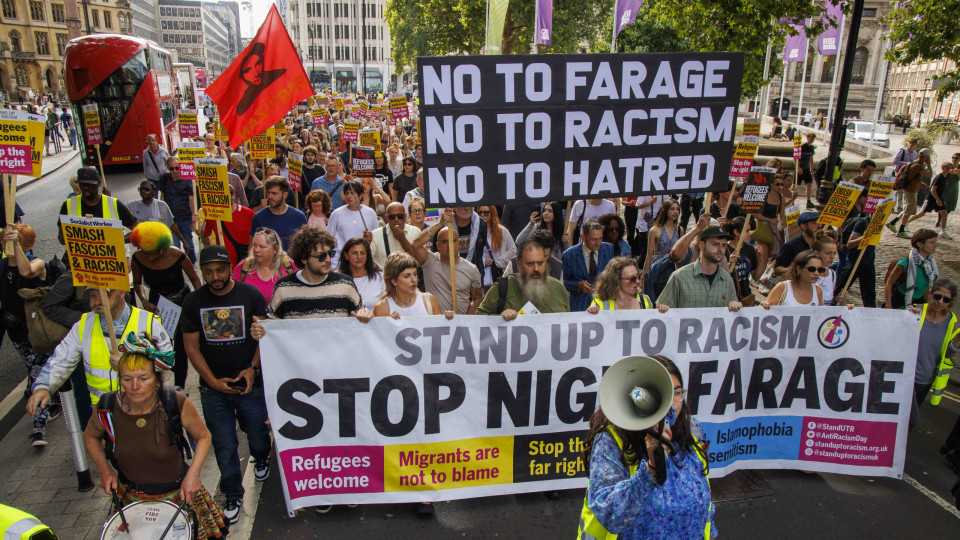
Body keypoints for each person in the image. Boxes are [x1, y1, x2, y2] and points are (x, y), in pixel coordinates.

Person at [83, 339, 227, 538]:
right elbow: (90, 436)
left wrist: (193, 474)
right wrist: (104, 470)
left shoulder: (175, 402)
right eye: (127, 379)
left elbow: (203, 437)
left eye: (143, 378)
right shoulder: (107, 406)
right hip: (131, 498)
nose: (134, 386)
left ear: (157, 378)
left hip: (178, 495)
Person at [579, 355, 715, 540]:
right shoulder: (611, 441)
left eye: (677, 392)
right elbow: (610, 515)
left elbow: (704, 499)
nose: (673, 402)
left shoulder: (692, 430)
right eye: (667, 393)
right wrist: (651, 468)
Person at [181, 245, 271, 524]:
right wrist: (211, 381)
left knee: (256, 431)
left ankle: (262, 457)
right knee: (223, 443)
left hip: (250, 385)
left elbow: (264, 335)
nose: (215, 276)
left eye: (220, 270)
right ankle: (232, 492)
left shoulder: (251, 295)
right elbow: (191, 347)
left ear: (230, 267)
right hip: (213, 390)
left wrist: (253, 369)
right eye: (208, 272)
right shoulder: (193, 302)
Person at [27, 288, 171, 417]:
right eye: (93, 295)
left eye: (106, 294)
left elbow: (167, 361)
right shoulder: (83, 326)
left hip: (144, 409)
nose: (97, 301)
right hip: (103, 412)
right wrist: (43, 386)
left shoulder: (148, 322)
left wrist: (127, 365)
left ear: (121, 292)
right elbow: (61, 360)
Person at [1, 224, 56, 446]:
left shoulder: (37, 263)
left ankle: (38, 426)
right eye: (4, 242)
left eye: (12, 242)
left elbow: (26, 272)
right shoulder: (2, 266)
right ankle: (53, 402)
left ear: (27, 244)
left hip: (38, 331)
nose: (6, 246)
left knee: (37, 372)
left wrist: (16, 246)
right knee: (37, 370)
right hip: (17, 333)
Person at [130, 222, 201, 389]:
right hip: (157, 304)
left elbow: (195, 278)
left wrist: (198, 301)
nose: (150, 258)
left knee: (181, 347)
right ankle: (158, 383)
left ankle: (180, 386)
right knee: (157, 344)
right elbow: (137, 282)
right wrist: (144, 300)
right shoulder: (137, 258)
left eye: (154, 253)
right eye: (146, 253)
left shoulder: (177, 255)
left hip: (181, 300)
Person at [905, 280, 960, 431]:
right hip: (904, 377)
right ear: (930, 294)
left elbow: (948, 354)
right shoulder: (915, 312)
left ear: (950, 302)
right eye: (937, 296)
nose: (940, 302)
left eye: (946, 299)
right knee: (909, 421)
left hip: (925, 381)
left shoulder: (952, 322)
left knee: (905, 425)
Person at [409, 210, 483, 314]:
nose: (450, 245)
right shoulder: (429, 261)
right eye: (445, 241)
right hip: (435, 324)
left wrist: (467, 320)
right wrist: (440, 224)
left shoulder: (471, 269)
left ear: (459, 244)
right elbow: (416, 244)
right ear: (438, 245)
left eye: (453, 241)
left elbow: (476, 299)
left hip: (460, 324)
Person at [477, 237, 570, 319]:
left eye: (540, 263)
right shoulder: (502, 288)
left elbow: (569, 325)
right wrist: (500, 318)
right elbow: (479, 318)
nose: (536, 269)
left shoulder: (559, 288)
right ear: (518, 264)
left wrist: (584, 317)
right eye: (530, 264)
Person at [656, 226, 742, 311]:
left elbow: (732, 314)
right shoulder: (679, 277)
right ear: (701, 245)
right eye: (715, 244)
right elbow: (662, 310)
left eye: (724, 245)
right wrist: (662, 308)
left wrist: (736, 306)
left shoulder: (727, 280)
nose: (720, 249)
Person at [58, 166, 137, 244]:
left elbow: (138, 230)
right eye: (82, 184)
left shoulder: (114, 204)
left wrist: (118, 241)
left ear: (98, 183)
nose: (86, 188)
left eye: (89, 185)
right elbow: (61, 238)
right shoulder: (68, 205)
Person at [373, 252, 450, 319]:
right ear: (394, 281)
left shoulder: (429, 300)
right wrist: (388, 324)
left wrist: (448, 319)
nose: (414, 280)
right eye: (407, 276)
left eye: (415, 274)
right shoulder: (381, 308)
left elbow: (440, 331)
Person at [233, 227, 296, 303]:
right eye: (255, 245)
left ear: (275, 249)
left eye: (262, 247)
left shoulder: (290, 266)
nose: (256, 250)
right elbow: (234, 295)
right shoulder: (244, 266)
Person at [563, 220, 614, 312]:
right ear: (583, 237)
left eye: (600, 238)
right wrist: (578, 285)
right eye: (593, 239)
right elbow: (564, 282)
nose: (598, 243)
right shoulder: (569, 255)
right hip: (579, 306)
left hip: (604, 304)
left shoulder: (608, 248)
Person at [327, 180, 378, 268]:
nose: (349, 196)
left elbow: (376, 236)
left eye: (352, 193)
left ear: (360, 195)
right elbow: (329, 237)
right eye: (347, 193)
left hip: (362, 259)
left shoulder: (370, 213)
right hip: (340, 260)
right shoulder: (336, 213)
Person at [885, 228, 939, 309]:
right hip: (900, 303)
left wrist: (931, 305)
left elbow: (925, 287)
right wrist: (888, 305)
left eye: (935, 242)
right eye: (932, 242)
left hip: (919, 303)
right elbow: (889, 284)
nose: (935, 245)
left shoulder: (930, 264)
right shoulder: (905, 262)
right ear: (920, 244)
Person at [250, 176, 307, 251]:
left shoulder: (299, 217)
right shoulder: (258, 217)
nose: (270, 196)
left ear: (285, 195)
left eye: (274, 193)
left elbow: (305, 247)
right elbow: (252, 247)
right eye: (268, 193)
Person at [158, 156, 198, 263]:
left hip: (185, 218)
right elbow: (162, 196)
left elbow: (191, 199)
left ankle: (191, 263)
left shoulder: (188, 180)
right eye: (172, 168)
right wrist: (161, 214)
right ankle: (178, 265)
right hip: (170, 220)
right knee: (174, 246)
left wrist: (193, 216)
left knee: (188, 243)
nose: (175, 171)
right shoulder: (165, 178)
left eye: (177, 168)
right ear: (167, 168)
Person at [203, 186, 255, 266]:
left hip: (246, 265)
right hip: (225, 265)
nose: (222, 198)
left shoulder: (249, 214)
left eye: (224, 195)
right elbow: (205, 234)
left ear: (233, 195)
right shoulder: (212, 216)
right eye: (218, 196)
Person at [888, 148, 933, 238]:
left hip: (909, 189)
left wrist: (921, 183)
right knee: (908, 211)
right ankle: (901, 230)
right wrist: (928, 164)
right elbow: (929, 174)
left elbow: (913, 177)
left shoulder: (913, 163)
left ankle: (892, 223)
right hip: (911, 190)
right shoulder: (918, 166)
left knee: (906, 209)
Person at [126, 180, 188, 246]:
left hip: (161, 243)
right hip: (144, 245)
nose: (143, 191)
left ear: (154, 192)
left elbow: (172, 225)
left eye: (146, 189)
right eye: (140, 189)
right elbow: (118, 208)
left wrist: (184, 242)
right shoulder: (133, 205)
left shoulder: (161, 205)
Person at [586, 256, 653, 313]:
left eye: (638, 276)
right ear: (617, 280)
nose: (637, 281)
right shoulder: (599, 304)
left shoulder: (644, 301)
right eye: (632, 278)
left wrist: (662, 312)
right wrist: (591, 313)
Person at [761, 250, 826, 307]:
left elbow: (819, 317)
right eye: (812, 269)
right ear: (799, 269)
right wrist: (765, 305)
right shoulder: (782, 287)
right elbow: (765, 313)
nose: (816, 273)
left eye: (820, 270)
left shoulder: (818, 291)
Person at [906, 162, 953, 239]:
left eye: (949, 168)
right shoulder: (939, 177)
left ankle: (942, 231)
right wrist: (938, 200)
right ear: (943, 168)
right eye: (947, 168)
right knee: (921, 213)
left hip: (938, 198)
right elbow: (933, 189)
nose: (948, 169)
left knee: (944, 213)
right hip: (931, 198)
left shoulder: (945, 177)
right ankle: (906, 223)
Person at [338, 237, 385, 310]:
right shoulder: (338, 279)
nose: (359, 257)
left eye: (362, 253)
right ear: (346, 255)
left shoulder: (380, 277)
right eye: (354, 253)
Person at [477, 205, 517, 289]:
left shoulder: (502, 230)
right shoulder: (474, 231)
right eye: (480, 212)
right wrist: (483, 261)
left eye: (486, 212)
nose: (483, 215)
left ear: (492, 214)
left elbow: (512, 249)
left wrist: (498, 262)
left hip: (497, 270)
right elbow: (472, 251)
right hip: (480, 270)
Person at [724, 217, 762, 305]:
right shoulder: (723, 250)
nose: (749, 234)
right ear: (736, 232)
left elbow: (756, 276)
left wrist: (761, 259)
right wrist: (729, 265)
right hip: (728, 298)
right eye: (747, 231)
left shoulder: (749, 249)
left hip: (745, 297)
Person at [370, 202, 420, 268]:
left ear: (405, 216)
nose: (396, 219)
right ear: (386, 217)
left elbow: (417, 259)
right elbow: (368, 261)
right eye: (392, 217)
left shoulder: (415, 231)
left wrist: (402, 239)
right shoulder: (375, 235)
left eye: (400, 216)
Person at [642, 200, 682, 278]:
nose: (675, 212)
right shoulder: (655, 230)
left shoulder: (680, 230)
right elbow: (649, 254)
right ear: (665, 210)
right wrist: (644, 276)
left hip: (674, 267)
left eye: (677, 209)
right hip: (659, 266)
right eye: (672, 209)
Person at [774, 211, 822, 277]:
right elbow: (777, 269)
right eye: (814, 223)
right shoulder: (790, 246)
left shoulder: (821, 243)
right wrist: (794, 269)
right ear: (804, 226)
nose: (820, 226)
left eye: (820, 222)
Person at [811, 232, 841, 306]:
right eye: (828, 253)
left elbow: (829, 302)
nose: (832, 257)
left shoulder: (832, 274)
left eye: (834, 253)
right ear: (816, 253)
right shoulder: (807, 273)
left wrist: (837, 299)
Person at [799, 133, 817, 208]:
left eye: (813, 139)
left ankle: (808, 201)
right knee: (794, 185)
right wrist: (799, 168)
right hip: (800, 168)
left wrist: (811, 168)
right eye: (811, 138)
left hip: (806, 168)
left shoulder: (812, 148)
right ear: (807, 138)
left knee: (809, 184)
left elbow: (811, 158)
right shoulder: (802, 147)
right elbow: (795, 158)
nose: (812, 140)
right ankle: (790, 199)